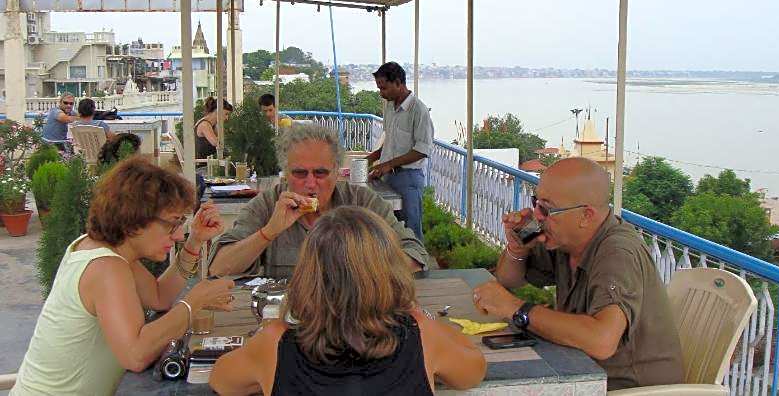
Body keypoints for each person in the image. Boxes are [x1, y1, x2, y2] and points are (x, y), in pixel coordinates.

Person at [11, 157, 234, 396]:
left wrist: (195, 241)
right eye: (172, 223)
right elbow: (135, 355)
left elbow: (159, 297)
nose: (179, 234)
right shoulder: (106, 267)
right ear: (135, 219)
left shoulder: (101, 249)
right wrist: (194, 302)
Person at [209, 206, 486, 395]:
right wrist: (430, 322)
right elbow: (473, 370)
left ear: (309, 274)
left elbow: (221, 380)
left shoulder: (275, 342)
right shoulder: (420, 334)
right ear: (389, 272)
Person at [472, 158, 684, 391]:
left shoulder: (617, 253)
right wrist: (517, 248)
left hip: (627, 388)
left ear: (586, 215)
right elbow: (508, 280)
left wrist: (516, 308)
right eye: (536, 203)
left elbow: (602, 340)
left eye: (546, 208)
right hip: (583, 373)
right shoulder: (566, 239)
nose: (537, 216)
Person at [209, 123, 429, 279]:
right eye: (300, 173)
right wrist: (269, 232)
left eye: (321, 173)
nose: (311, 183)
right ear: (285, 173)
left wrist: (362, 266)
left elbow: (415, 254)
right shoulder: (267, 205)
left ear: (336, 172)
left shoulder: (361, 202)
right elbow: (219, 267)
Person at [366, 62, 434, 241]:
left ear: (398, 82)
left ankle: (417, 266)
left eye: (384, 88)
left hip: (409, 178)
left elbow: (422, 150)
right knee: (391, 227)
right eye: (379, 88)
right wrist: (371, 159)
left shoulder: (418, 110)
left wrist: (389, 164)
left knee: (410, 229)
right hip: (389, 176)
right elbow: (390, 142)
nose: (381, 93)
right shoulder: (389, 107)